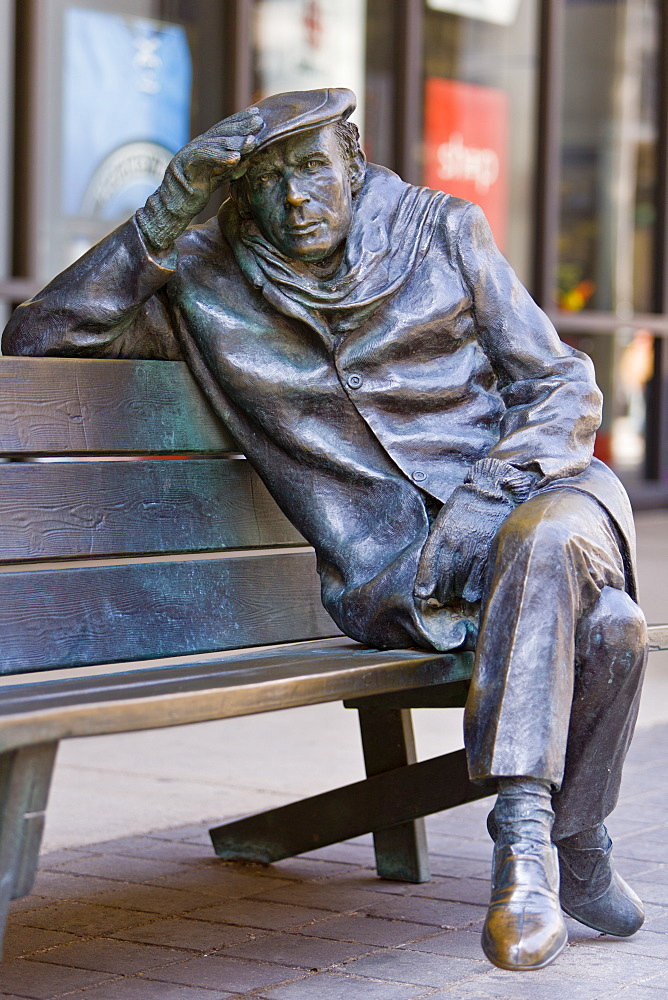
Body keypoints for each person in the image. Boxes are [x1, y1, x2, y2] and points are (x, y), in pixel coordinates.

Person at [2, 88, 648, 972]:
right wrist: (164, 213)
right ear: (235, 195)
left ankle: (524, 848)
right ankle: (584, 851)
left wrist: (486, 496)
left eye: (311, 169)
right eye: (266, 183)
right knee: (607, 627)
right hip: (399, 581)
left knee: (543, 542)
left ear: (352, 161)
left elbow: (564, 385)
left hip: (540, 499)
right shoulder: (205, 277)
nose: (296, 200)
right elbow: (38, 337)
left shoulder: (443, 231)